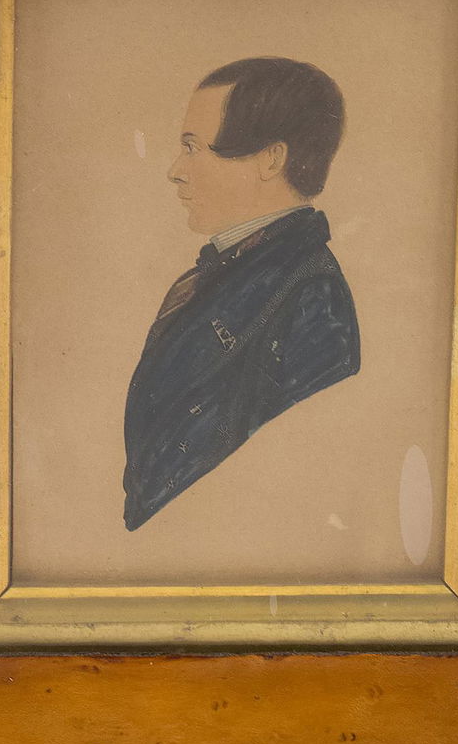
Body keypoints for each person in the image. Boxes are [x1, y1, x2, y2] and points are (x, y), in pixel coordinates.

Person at [123, 57, 361, 531]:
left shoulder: (312, 301)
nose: (175, 170)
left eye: (194, 148)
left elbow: (277, 483)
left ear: (271, 160)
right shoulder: (232, 272)